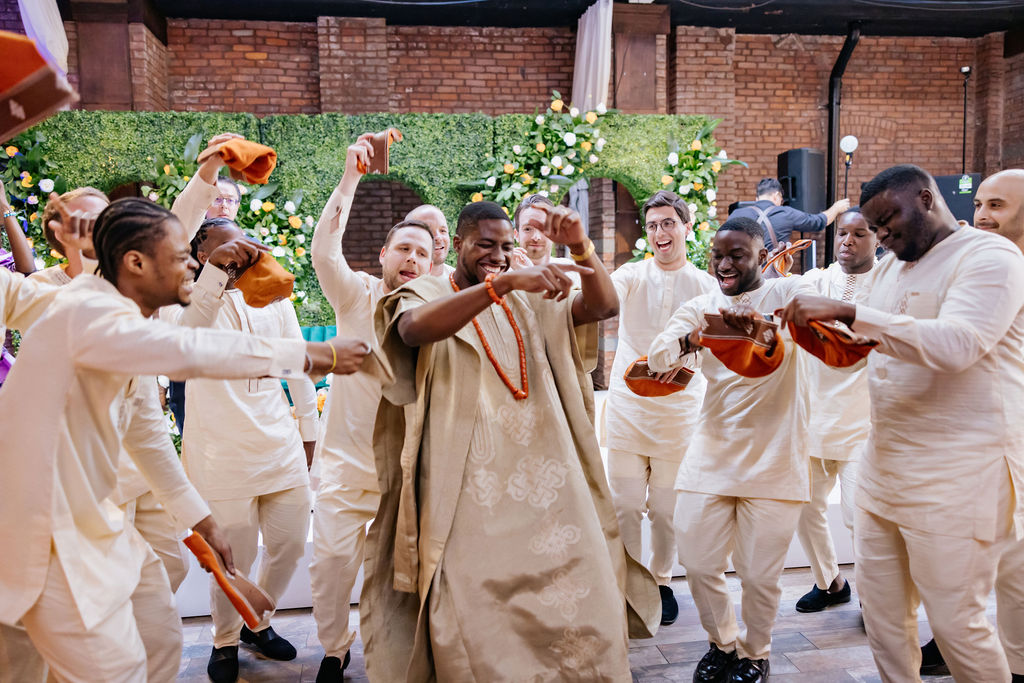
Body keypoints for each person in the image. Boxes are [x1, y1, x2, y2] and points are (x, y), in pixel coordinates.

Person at [0, 197, 356, 682]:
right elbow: (190, 350)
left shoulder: (132, 319)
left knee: (160, 636)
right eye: (180, 257)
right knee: (101, 668)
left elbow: (148, 437)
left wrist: (202, 521)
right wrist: (316, 355)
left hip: (96, 526)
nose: (193, 263)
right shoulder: (88, 312)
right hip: (41, 536)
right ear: (136, 264)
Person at [362, 200, 659, 681]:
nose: (497, 256)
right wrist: (500, 286)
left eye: (505, 246)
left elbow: (603, 306)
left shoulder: (526, 294)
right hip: (468, 495)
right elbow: (413, 331)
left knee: (587, 598)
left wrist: (581, 246)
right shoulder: (426, 291)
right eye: (484, 244)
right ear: (455, 244)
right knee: (482, 620)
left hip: (552, 491)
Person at [780, 164, 1024, 682]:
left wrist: (848, 313)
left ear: (927, 198)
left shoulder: (990, 256)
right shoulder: (891, 268)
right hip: (884, 466)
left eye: (888, 220)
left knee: (957, 625)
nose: (882, 234)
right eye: (875, 223)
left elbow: (959, 345)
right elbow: (868, 347)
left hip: (960, 473)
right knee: (886, 623)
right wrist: (799, 332)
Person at [647, 216, 814, 683]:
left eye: (736, 254)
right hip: (712, 452)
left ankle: (755, 653)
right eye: (717, 255)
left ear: (762, 256)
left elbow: (832, 309)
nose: (724, 264)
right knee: (698, 563)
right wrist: (692, 338)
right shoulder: (700, 307)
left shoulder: (788, 296)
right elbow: (658, 356)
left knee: (760, 576)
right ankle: (722, 643)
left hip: (777, 456)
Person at [160, 216, 320, 683]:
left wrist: (309, 436)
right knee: (234, 557)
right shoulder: (184, 298)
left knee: (290, 545)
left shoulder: (271, 293)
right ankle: (225, 640)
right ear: (199, 252)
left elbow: (299, 366)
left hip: (279, 445)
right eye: (220, 242)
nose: (235, 248)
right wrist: (217, 272)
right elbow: (191, 332)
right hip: (220, 451)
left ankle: (258, 621)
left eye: (239, 240)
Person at [309, 133, 436, 682]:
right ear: (384, 255)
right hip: (343, 464)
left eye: (422, 251)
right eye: (402, 248)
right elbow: (322, 249)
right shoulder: (354, 294)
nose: (411, 257)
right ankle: (335, 651)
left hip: (406, 470)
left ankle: (404, 653)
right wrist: (351, 176)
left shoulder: (437, 308)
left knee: (400, 575)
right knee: (333, 566)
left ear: (433, 263)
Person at [918, 168, 1024, 681]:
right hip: (971, 439)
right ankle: (951, 638)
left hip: (1012, 436)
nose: (981, 215)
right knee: (969, 555)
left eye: (996, 206)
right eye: (979, 203)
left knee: (1015, 568)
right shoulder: (974, 265)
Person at [603, 189, 716, 625]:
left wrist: (688, 356)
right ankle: (631, 581)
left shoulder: (707, 286)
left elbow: (719, 344)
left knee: (667, 509)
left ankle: (662, 580)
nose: (660, 232)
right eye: (652, 225)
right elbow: (603, 293)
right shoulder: (631, 274)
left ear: (687, 226)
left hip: (681, 409)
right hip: (630, 407)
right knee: (626, 503)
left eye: (668, 222)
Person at [791, 208, 876, 613]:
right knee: (806, 509)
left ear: (877, 238)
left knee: (861, 518)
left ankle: (872, 599)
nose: (848, 241)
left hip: (864, 425)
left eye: (859, 234)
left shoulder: (888, 285)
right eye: (843, 233)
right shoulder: (818, 279)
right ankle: (830, 583)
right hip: (814, 421)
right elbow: (781, 295)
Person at [730, 177, 850, 249]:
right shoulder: (786, 213)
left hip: (745, 277)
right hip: (774, 279)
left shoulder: (737, 214)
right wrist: (836, 208)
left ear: (757, 198)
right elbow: (817, 222)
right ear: (777, 196)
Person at [405, 204, 453, 277]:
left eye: (443, 231)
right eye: (429, 231)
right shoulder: (397, 283)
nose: (438, 238)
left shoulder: (460, 282)